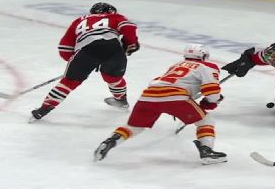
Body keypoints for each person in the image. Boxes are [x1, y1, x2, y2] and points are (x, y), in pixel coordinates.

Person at [93, 44, 227, 165]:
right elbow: (211, 91)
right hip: (175, 97)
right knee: (205, 121)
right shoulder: (208, 66)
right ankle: (207, 151)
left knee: (134, 126)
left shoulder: (176, 65)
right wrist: (213, 101)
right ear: (204, 55)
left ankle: (111, 141)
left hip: (148, 96)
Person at [29, 2, 139, 122]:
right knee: (113, 78)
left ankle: (43, 109)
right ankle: (121, 100)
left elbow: (64, 48)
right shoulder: (115, 17)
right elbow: (128, 27)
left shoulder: (79, 21)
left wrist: (77, 63)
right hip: (114, 49)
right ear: (111, 11)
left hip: (86, 51)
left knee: (69, 82)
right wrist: (131, 43)